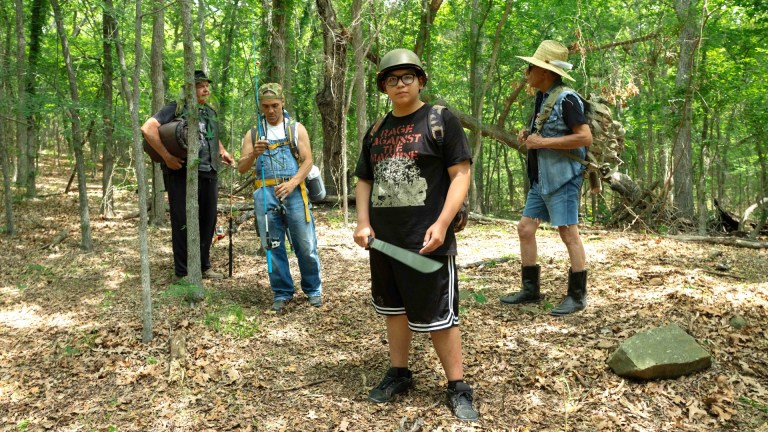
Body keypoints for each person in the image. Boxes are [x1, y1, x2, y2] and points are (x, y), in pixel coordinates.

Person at [353, 48, 478, 421]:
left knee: (441, 313)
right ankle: (399, 372)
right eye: (392, 79)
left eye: (407, 77)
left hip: (428, 238)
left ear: (421, 80)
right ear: (383, 87)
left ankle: (457, 385)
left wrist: (442, 223)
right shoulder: (376, 130)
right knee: (394, 309)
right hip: (384, 240)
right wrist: (363, 222)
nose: (400, 84)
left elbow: (461, 174)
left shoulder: (440, 120)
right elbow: (364, 180)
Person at [499, 40, 593, 316]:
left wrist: (543, 143)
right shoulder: (543, 98)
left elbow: (584, 137)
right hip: (541, 179)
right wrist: (530, 138)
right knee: (525, 229)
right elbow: (544, 136)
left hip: (563, 178)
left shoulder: (567, 98)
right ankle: (530, 290)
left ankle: (577, 296)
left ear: (546, 72)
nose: (528, 72)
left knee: (568, 233)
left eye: (532, 67)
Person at [141, 70, 235, 281]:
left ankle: (203, 266)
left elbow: (211, 136)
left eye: (206, 85)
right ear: (189, 89)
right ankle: (182, 272)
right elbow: (147, 128)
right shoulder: (175, 108)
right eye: (200, 85)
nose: (206, 88)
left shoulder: (209, 112)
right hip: (181, 173)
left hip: (209, 172)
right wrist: (166, 157)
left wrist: (223, 152)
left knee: (208, 221)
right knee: (182, 221)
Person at [238, 83, 322, 314]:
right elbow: (242, 167)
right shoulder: (253, 133)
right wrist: (254, 153)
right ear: (260, 106)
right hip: (264, 193)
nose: (271, 110)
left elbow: (307, 161)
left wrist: (294, 182)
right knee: (272, 245)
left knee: (305, 244)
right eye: (265, 106)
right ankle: (282, 292)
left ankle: (313, 289)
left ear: (283, 102)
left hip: (294, 192)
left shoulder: (295, 129)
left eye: (275, 105)